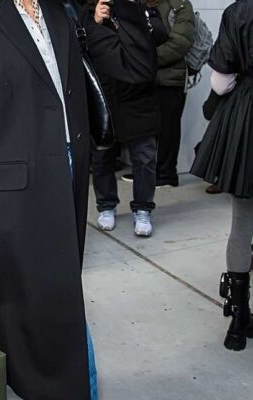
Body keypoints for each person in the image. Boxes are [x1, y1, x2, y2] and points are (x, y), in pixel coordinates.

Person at [0, 0, 156, 400]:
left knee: (59, 339)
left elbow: (136, 66)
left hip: (67, 196)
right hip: (11, 215)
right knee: (66, 347)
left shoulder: (61, 15)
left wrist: (124, 11)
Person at [191, 0, 253, 351]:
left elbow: (221, 79)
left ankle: (238, 320)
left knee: (243, 220)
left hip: (247, 115)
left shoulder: (238, 10)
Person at [91, 3, 168, 237]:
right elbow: (82, 44)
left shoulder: (142, 9)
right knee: (103, 155)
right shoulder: (92, 12)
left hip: (139, 95)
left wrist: (133, 12)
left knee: (144, 157)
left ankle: (143, 208)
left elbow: (161, 34)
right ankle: (106, 205)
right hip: (105, 94)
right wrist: (96, 20)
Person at [147, 0, 195, 187]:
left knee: (168, 127)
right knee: (147, 128)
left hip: (171, 77)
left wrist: (146, 59)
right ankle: (147, 172)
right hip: (145, 77)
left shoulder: (180, 4)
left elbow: (181, 42)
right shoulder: (141, 3)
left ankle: (166, 174)